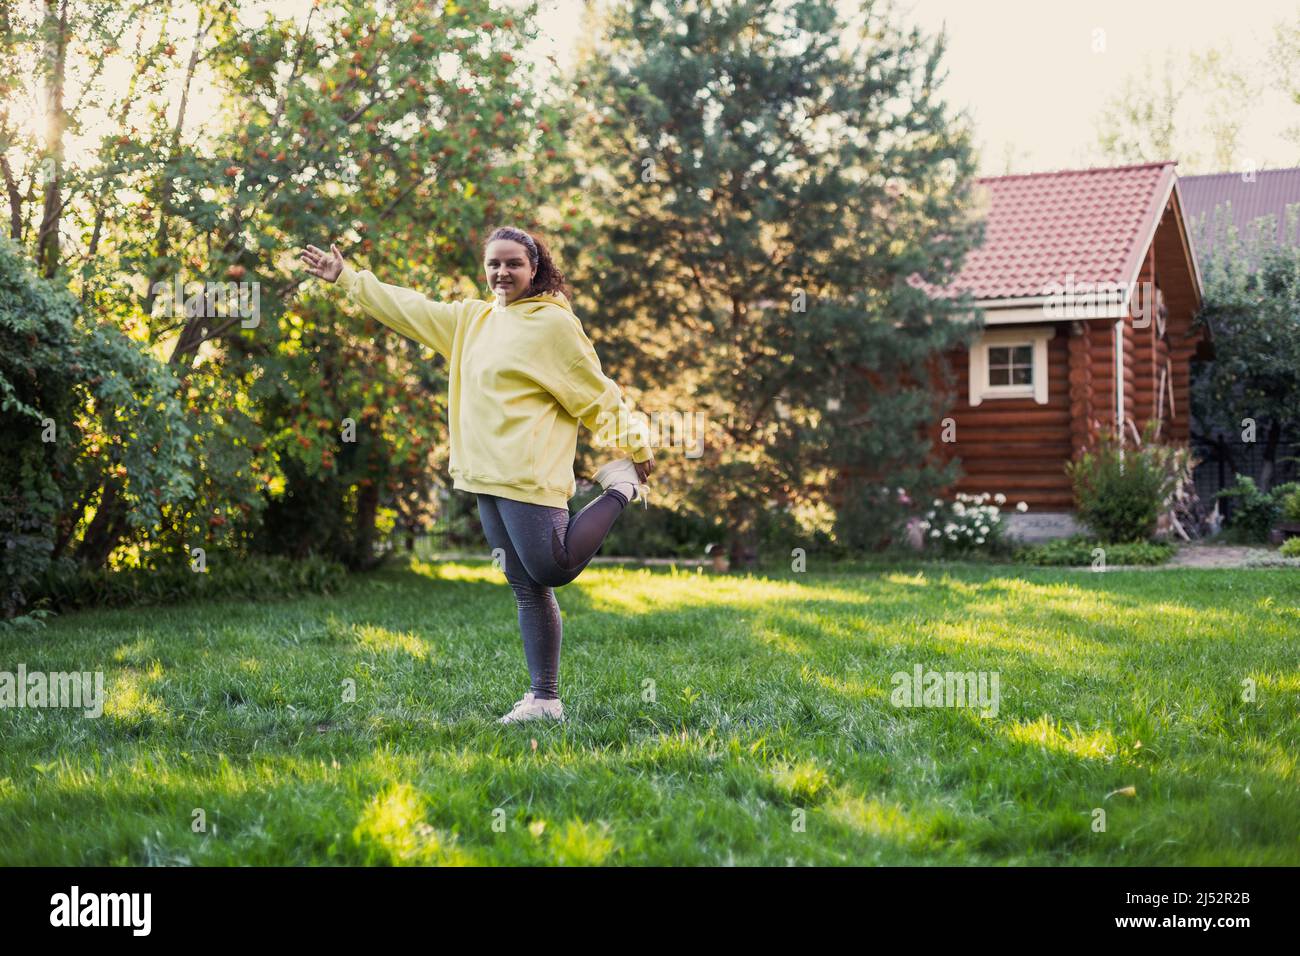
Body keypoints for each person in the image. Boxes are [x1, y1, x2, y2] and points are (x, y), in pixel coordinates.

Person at [299, 226, 655, 725]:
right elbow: (410, 308)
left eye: (513, 263)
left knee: (552, 568)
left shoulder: (554, 327)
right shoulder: (473, 320)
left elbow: (595, 391)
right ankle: (544, 700)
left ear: (535, 268)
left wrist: (634, 445)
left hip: (529, 474)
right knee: (527, 587)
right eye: (494, 264)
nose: (502, 272)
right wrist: (348, 279)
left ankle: (619, 488)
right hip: (483, 476)